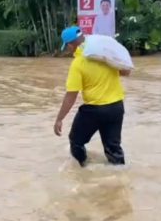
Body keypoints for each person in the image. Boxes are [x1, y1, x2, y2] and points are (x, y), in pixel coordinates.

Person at [53, 26, 130, 167]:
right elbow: (125, 72)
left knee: (76, 141)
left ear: (71, 45)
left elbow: (71, 95)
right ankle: (119, 177)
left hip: (94, 110)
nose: (68, 49)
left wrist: (59, 119)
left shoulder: (78, 63)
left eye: (68, 46)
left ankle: (84, 170)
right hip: (116, 107)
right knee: (113, 147)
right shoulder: (105, 54)